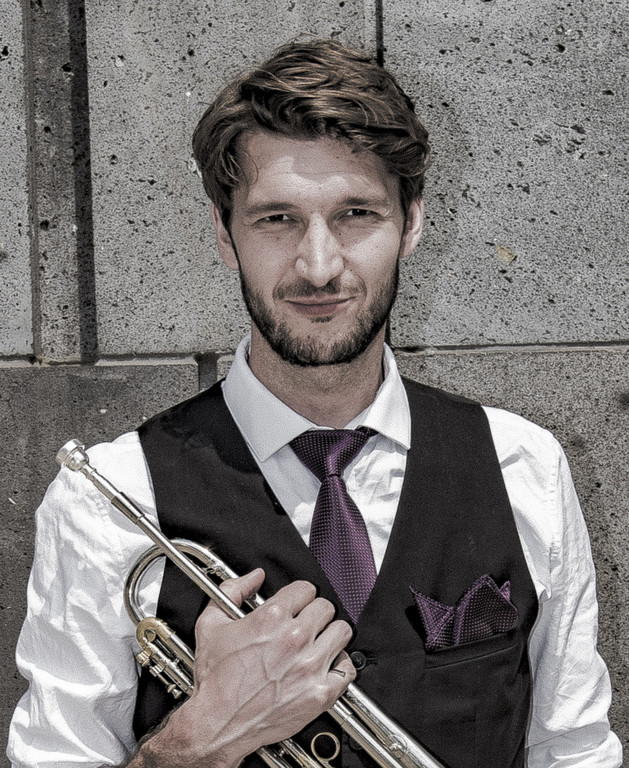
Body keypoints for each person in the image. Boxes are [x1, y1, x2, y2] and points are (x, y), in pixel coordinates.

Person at [8, 39, 622, 768]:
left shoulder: (523, 464)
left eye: (356, 213)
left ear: (412, 223)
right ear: (224, 234)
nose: (319, 266)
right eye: (277, 219)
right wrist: (198, 739)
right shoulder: (106, 499)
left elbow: (574, 749)